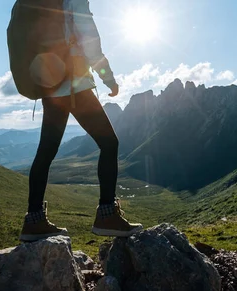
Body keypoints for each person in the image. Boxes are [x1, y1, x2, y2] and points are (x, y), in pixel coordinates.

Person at [16, 0, 143, 242]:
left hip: (49, 83)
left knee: (46, 152)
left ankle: (33, 221)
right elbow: (89, 40)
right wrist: (109, 78)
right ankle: (106, 215)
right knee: (109, 144)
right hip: (74, 85)